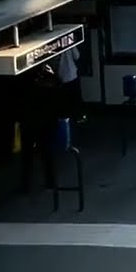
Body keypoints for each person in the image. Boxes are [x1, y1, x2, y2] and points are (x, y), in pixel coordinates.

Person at [18, 64, 61, 193]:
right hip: (45, 123)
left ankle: (26, 185)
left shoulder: (24, 83)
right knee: (47, 154)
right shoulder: (49, 80)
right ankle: (50, 181)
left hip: (28, 122)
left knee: (27, 156)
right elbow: (58, 88)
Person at [56, 46, 84, 124]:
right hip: (72, 74)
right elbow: (77, 56)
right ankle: (78, 118)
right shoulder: (69, 43)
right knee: (76, 99)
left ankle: (67, 121)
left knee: (65, 102)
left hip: (61, 76)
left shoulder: (54, 45)